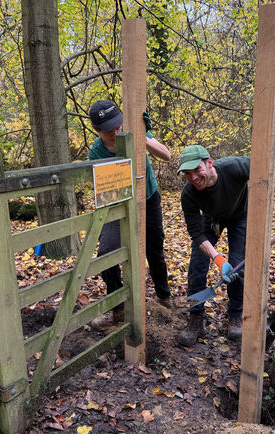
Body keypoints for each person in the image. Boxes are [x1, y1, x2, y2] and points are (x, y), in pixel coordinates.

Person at [177, 145, 275, 347]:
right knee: (197, 264)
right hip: (211, 219)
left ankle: (235, 315)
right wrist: (218, 259)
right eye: (188, 174)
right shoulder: (189, 194)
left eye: (197, 170)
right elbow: (196, 233)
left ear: (209, 162)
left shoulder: (235, 167)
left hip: (239, 216)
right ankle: (196, 319)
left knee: (238, 263)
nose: (193, 177)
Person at [87, 100, 173, 330]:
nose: (116, 131)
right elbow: (102, 190)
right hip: (117, 204)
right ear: (98, 130)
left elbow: (167, 156)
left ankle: (164, 296)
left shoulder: (135, 131)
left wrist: (143, 138)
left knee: (154, 249)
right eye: (109, 129)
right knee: (106, 254)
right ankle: (119, 309)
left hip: (148, 197)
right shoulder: (96, 151)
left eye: (118, 125)